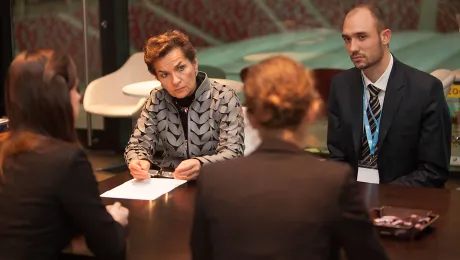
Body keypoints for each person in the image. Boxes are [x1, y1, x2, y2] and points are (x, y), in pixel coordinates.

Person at [191, 56, 389, 260]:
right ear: (311, 112)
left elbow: (201, 253)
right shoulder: (334, 180)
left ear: (250, 116)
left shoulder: (214, 177)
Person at [0, 49, 128, 260]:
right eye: (75, 88)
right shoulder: (66, 161)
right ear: (59, 98)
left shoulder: (7, 152)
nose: (79, 96)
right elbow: (111, 248)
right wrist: (115, 221)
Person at [327, 4, 451, 188]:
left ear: (385, 36)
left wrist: (382, 195)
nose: (352, 48)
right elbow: (337, 156)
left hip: (404, 203)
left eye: (362, 37)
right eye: (347, 39)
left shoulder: (425, 89)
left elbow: (434, 170)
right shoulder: (341, 86)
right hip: (353, 201)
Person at [125, 30, 245, 181]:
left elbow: (234, 153)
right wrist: (137, 161)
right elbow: (138, 144)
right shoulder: (157, 98)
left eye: (181, 68)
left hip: (216, 180)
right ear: (157, 77)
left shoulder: (224, 97)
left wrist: (200, 164)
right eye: (164, 74)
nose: (175, 81)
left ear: (194, 64)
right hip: (170, 180)